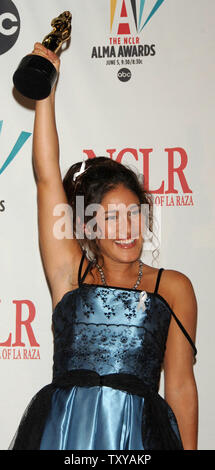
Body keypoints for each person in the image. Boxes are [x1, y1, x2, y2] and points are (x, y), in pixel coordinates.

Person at [9, 43, 198, 450]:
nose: (126, 228)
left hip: (138, 443)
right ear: (88, 226)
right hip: (63, 438)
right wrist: (46, 93)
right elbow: (46, 177)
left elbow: (181, 387)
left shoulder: (174, 288)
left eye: (133, 213)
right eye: (110, 217)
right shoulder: (70, 275)